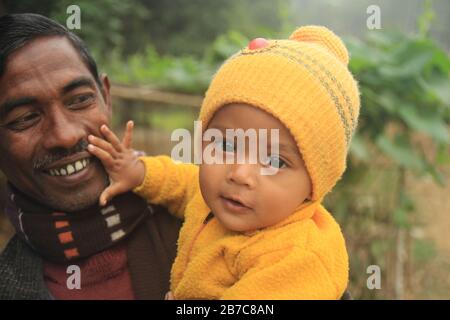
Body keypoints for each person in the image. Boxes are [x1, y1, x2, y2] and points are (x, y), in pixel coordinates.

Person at [87, 25, 360, 299]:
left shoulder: (297, 258)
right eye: (227, 145)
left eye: (275, 160)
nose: (240, 173)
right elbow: (182, 181)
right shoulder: (213, 198)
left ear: (315, 183)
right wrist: (137, 171)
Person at [0, 13, 181, 299]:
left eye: (80, 100)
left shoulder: (204, 227)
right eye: (25, 118)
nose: (65, 136)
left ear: (106, 98)